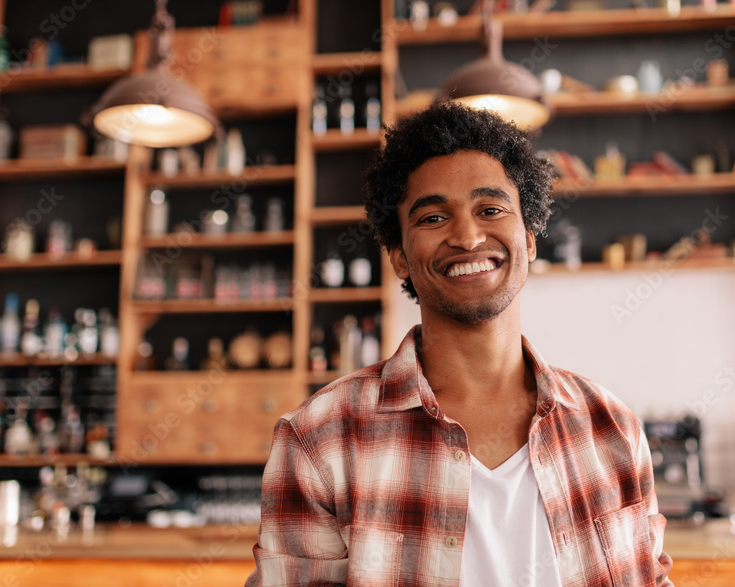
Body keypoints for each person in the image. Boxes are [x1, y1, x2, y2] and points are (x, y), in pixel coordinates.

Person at [247, 102, 673, 587]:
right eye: (432, 218)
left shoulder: (612, 429)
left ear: (530, 239)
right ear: (399, 257)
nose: (468, 237)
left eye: (490, 210)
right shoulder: (319, 441)